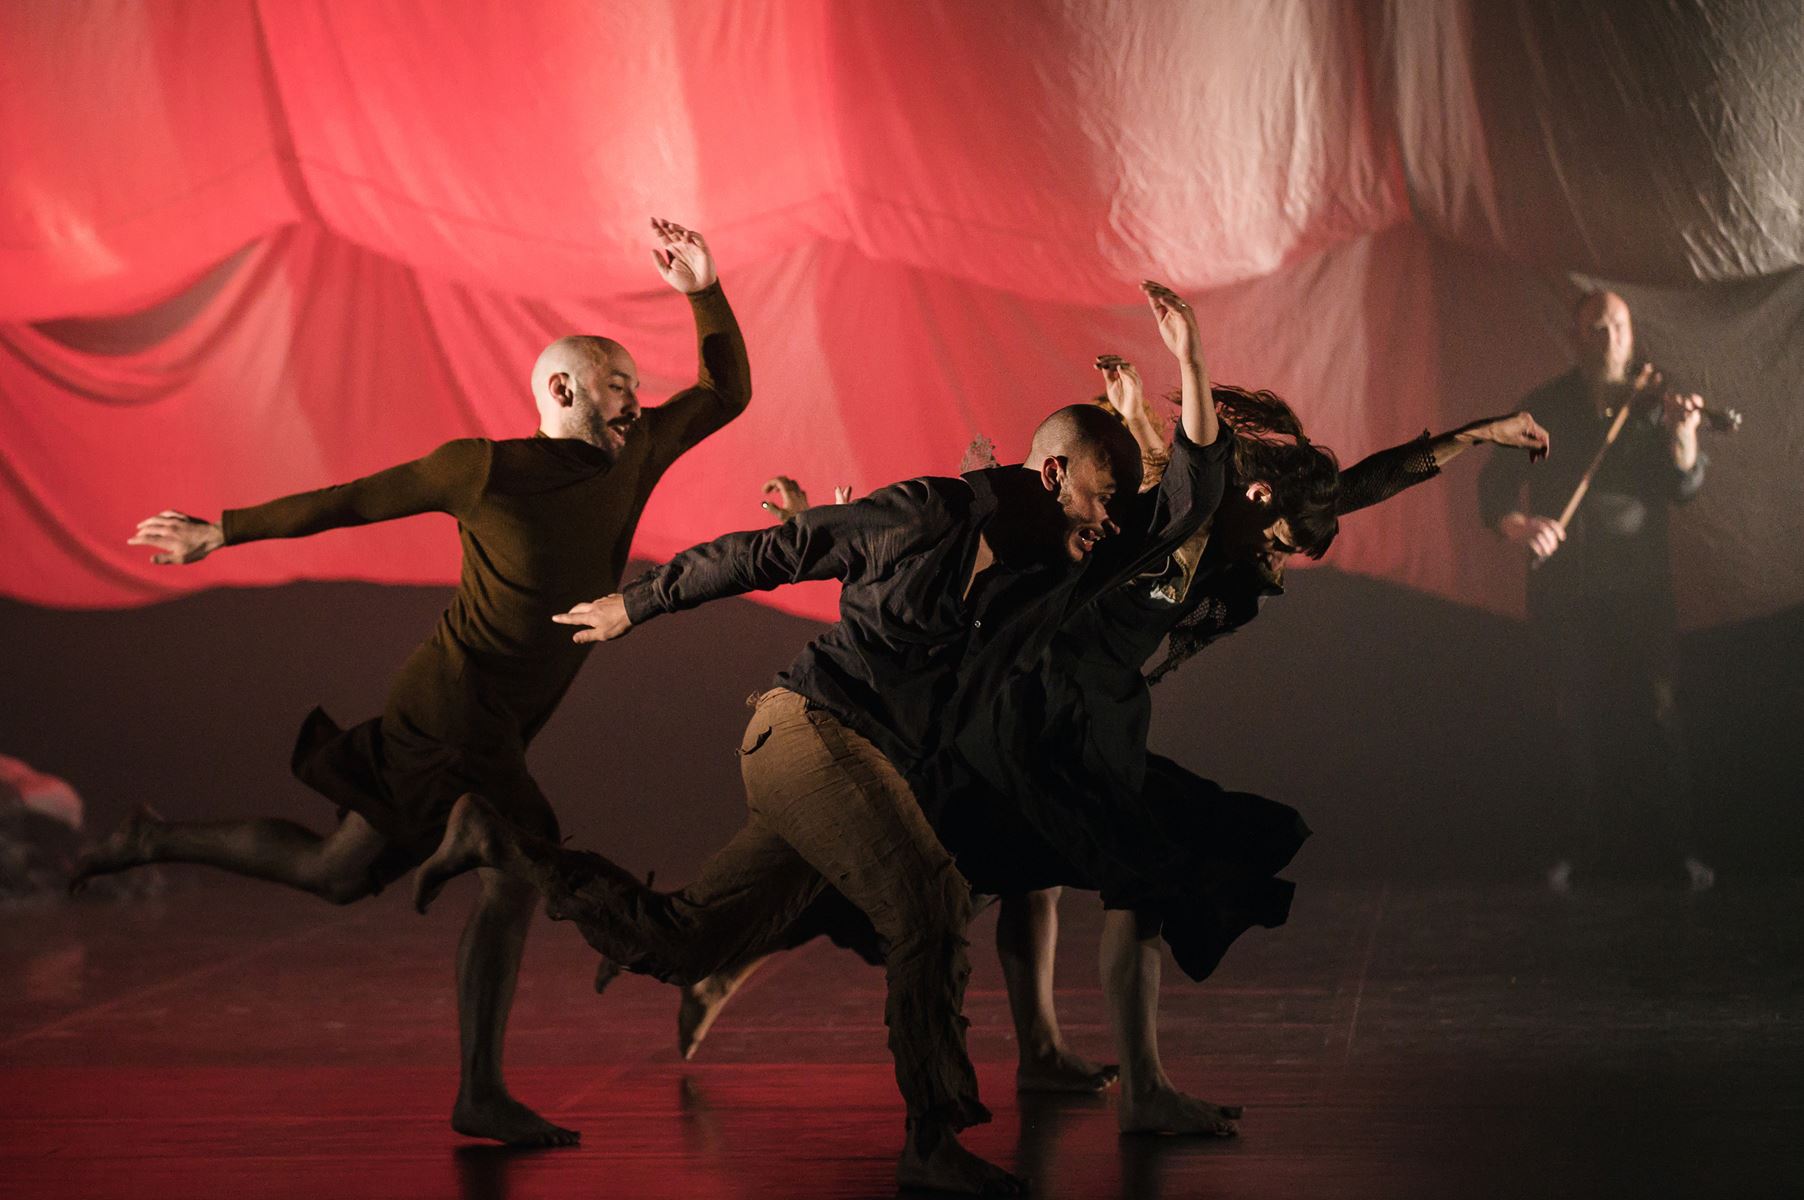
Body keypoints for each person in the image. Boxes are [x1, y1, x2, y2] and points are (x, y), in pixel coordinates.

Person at [412, 280, 1227, 1194]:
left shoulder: (1058, 565)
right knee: (930, 902)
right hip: (805, 729)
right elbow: (774, 552)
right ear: (1052, 476)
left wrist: (1188, 367)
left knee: (683, 942)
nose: (1110, 522)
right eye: (1101, 497)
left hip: (866, 766)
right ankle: (932, 1140)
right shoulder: (932, 513)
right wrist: (635, 603)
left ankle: (504, 845)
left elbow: (1182, 509)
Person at [674, 371, 1552, 1137]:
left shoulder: (1232, 538)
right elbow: (1020, 525)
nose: (1285, 566)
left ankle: (1032, 1047)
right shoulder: (1167, 519)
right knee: (1109, 868)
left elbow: (1351, 487)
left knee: (997, 874)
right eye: (1285, 545)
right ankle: (1141, 1088)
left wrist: (1476, 435)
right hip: (1036, 719)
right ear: (1255, 506)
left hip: (1075, 725)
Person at [68, 219, 747, 1147]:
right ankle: (479, 1088)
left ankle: (153, 837)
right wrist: (221, 530)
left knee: (335, 872)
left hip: (498, 714)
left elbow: (725, 392)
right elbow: (349, 500)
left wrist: (702, 290)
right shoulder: (483, 468)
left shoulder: (635, 452)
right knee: (520, 865)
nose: (636, 400)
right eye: (617, 385)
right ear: (562, 390)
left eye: (635, 385)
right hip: (451, 701)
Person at [1478, 290, 1712, 892]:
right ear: (1578, 338)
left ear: (1631, 335)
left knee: (1659, 716)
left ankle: (1678, 854)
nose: (1608, 338)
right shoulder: (1544, 407)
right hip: (1566, 591)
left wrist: (1684, 435)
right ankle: (1576, 855)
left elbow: (1682, 487)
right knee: (1573, 719)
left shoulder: (1656, 406)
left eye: (1617, 326)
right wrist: (1520, 526)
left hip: (1641, 590)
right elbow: (1495, 486)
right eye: (1595, 328)